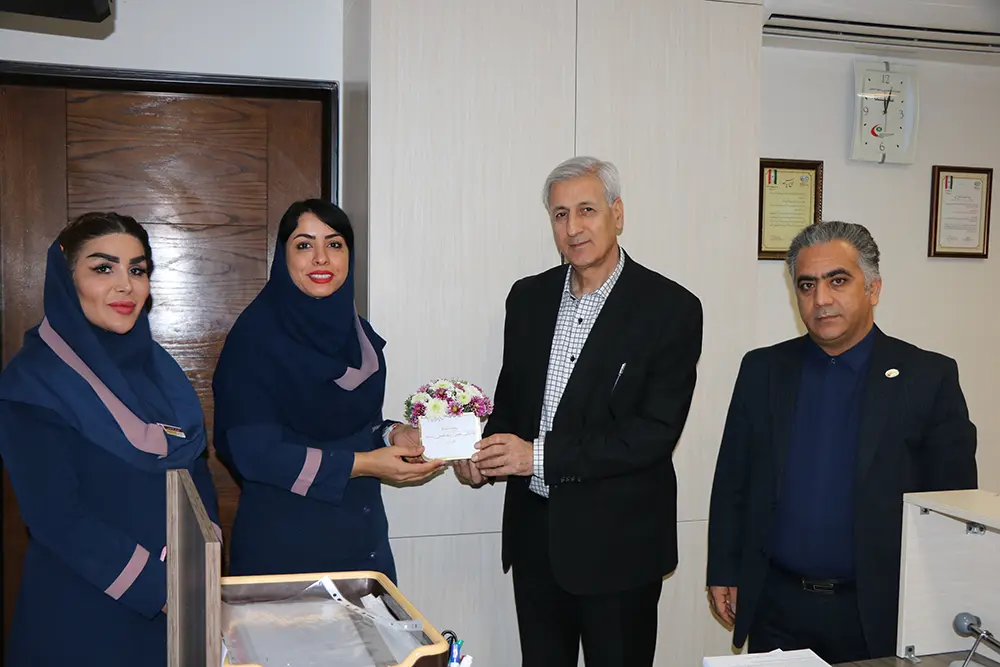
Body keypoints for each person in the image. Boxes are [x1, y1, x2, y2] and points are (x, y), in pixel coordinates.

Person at [454, 156, 703, 667]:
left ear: (618, 213)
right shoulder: (528, 298)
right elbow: (513, 404)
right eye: (560, 214)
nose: (573, 228)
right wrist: (481, 455)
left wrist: (534, 457)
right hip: (536, 540)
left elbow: (652, 434)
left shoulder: (670, 308)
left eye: (587, 210)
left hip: (621, 548)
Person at [706, 221, 978, 663]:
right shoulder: (763, 370)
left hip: (877, 611)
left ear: (873, 288)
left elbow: (952, 506)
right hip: (777, 604)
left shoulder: (928, 378)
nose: (821, 299)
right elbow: (733, 478)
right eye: (807, 285)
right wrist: (724, 568)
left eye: (838, 281)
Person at [0, 213, 221, 666]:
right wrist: (159, 588)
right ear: (67, 280)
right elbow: (55, 516)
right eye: (103, 268)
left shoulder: (161, 371)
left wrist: (202, 561)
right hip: (84, 616)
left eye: (137, 270)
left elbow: (195, 471)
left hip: (178, 607)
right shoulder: (33, 381)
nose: (126, 285)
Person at [212, 198, 443, 581]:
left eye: (334, 244)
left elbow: (357, 426)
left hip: (363, 543)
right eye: (304, 245)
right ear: (283, 256)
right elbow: (254, 454)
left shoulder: (360, 337)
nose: (321, 258)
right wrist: (367, 464)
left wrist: (393, 434)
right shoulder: (256, 340)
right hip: (287, 550)